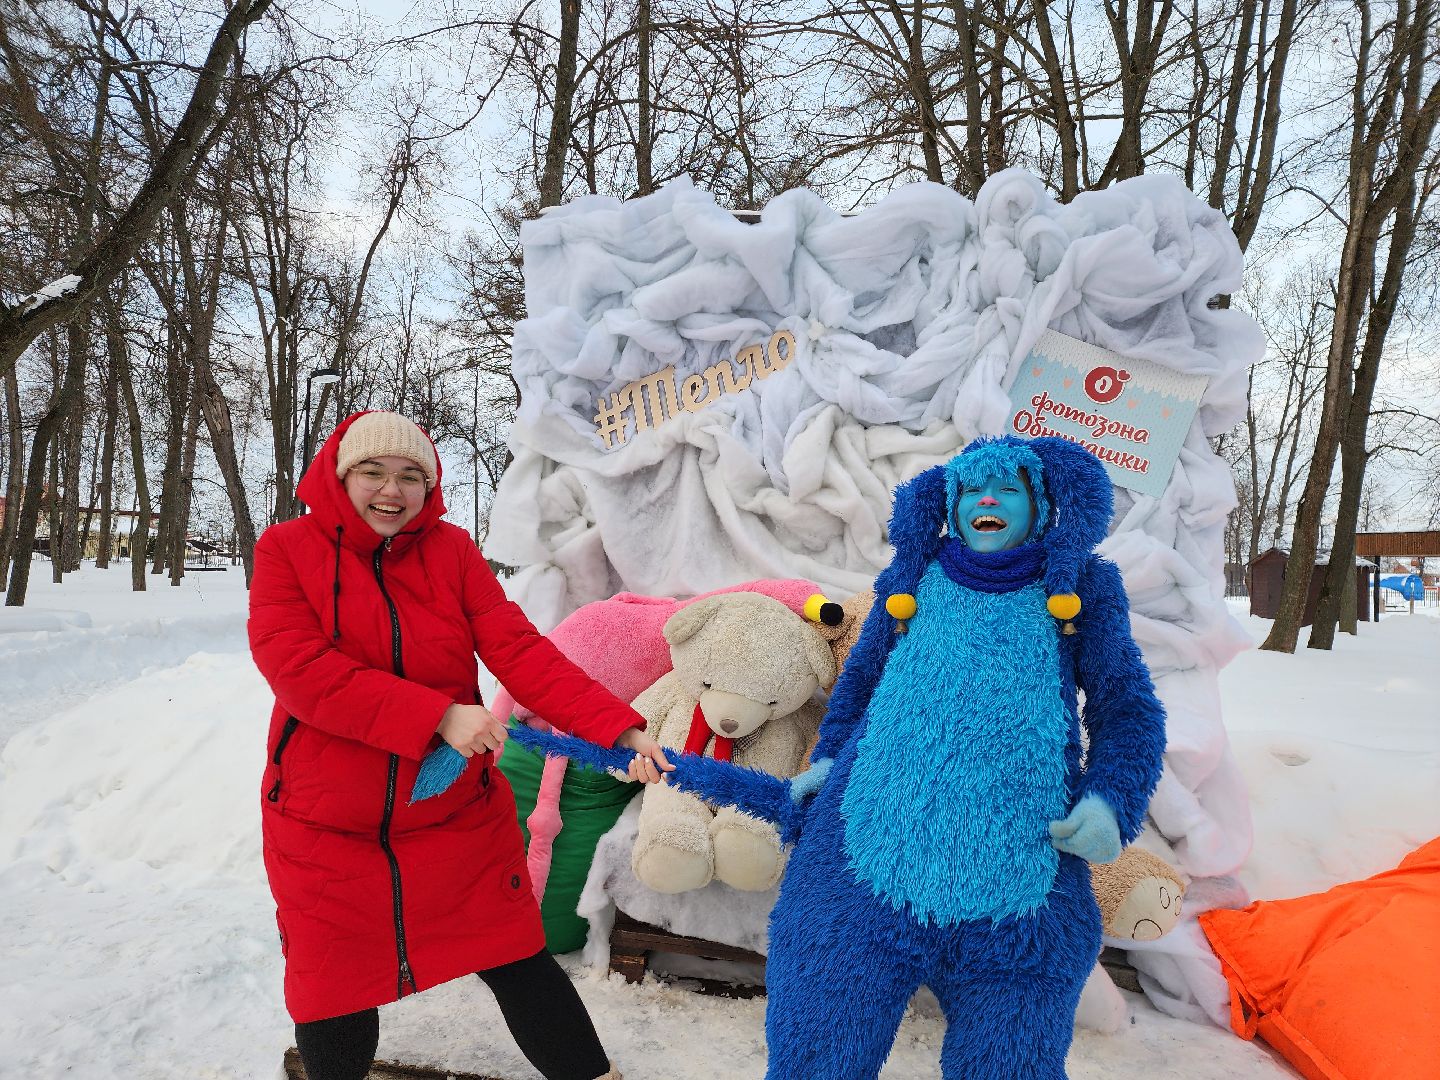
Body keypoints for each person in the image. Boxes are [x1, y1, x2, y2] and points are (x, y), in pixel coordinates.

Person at [248, 410, 672, 1080]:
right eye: (373, 472)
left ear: (430, 485)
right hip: (327, 821)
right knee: (336, 985)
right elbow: (298, 668)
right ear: (339, 476)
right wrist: (437, 715)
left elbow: (519, 648)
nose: (392, 490)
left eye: (411, 475)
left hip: (452, 811)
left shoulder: (451, 552)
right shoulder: (286, 549)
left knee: (514, 953)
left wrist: (615, 726)